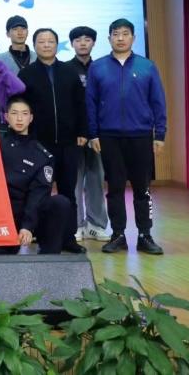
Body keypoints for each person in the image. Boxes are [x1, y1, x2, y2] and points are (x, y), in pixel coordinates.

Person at [87, 19, 166, 256]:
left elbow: (158, 102)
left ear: (133, 37)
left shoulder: (147, 66)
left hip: (141, 135)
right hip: (109, 136)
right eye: (115, 34)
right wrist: (93, 133)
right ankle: (118, 234)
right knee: (115, 188)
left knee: (142, 188)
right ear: (109, 38)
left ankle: (145, 235)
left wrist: (160, 134)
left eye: (125, 34)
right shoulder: (98, 67)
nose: (120, 38)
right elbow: (90, 103)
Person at [18, 28, 88, 255]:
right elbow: (21, 108)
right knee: (40, 192)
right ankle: (43, 236)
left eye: (50, 41)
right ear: (34, 45)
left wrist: (82, 131)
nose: (46, 45)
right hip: (39, 144)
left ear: (57, 45)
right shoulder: (26, 74)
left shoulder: (69, 72)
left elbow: (81, 104)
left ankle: (69, 238)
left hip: (68, 143)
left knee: (68, 192)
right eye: (41, 41)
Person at [0, 96, 70, 255]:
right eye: (14, 113)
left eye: (24, 114)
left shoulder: (42, 155)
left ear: (31, 118)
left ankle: (50, 257)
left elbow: (38, 193)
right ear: (6, 116)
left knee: (60, 203)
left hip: (27, 212)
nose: (19, 118)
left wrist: (27, 226)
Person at [68, 26, 110, 242]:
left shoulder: (102, 68)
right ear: (72, 44)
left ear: (94, 42)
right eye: (78, 40)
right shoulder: (65, 69)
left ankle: (96, 225)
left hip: (98, 134)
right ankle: (75, 224)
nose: (82, 43)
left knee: (96, 178)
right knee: (73, 181)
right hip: (73, 135)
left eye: (87, 39)